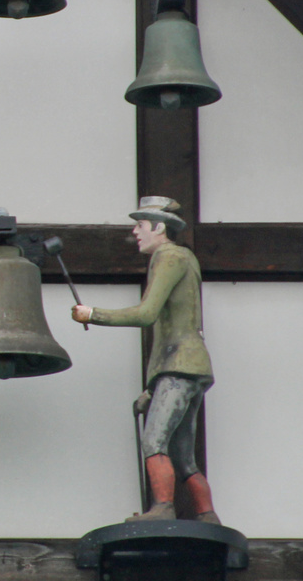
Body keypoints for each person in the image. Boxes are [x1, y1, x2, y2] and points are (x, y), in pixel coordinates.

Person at [73, 196, 218, 524]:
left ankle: (164, 508)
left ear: (159, 227)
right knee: (183, 458)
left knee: (154, 440)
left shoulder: (168, 256)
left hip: (178, 365)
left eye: (140, 226)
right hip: (187, 365)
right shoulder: (186, 258)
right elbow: (171, 326)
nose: (135, 232)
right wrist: (153, 390)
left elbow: (146, 314)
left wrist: (93, 314)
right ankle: (207, 516)